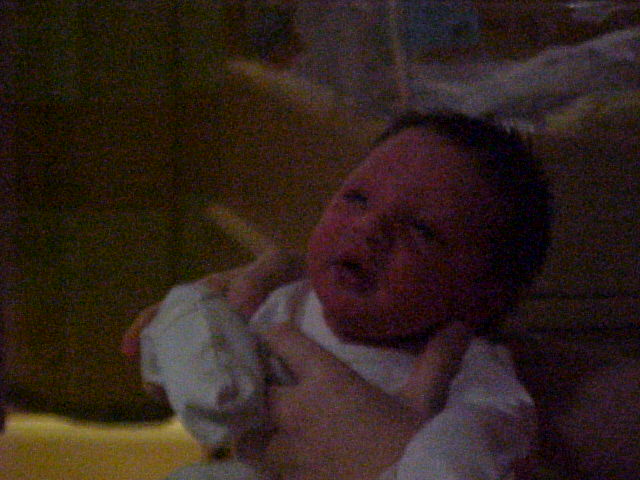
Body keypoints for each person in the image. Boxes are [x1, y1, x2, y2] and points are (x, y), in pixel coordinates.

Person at [123, 111, 552, 480]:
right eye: (357, 198)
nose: (369, 227)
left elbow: (477, 451)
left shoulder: (468, 372)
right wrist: (185, 329)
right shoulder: (282, 304)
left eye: (421, 230)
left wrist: (402, 459)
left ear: (482, 296)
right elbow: (186, 366)